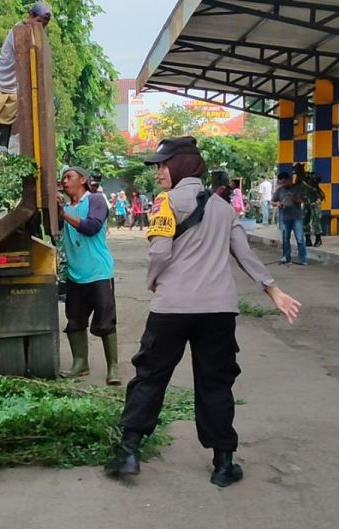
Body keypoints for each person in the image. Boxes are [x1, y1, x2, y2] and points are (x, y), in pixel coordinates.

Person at [104, 136, 300, 487]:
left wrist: (153, 281)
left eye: (163, 165)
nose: (159, 172)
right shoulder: (225, 209)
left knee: (150, 376)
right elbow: (244, 254)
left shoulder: (165, 203)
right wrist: (273, 290)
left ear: (180, 166)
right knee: (215, 383)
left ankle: (129, 450)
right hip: (218, 311)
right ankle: (224, 464)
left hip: (173, 308)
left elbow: (160, 254)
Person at [56, 167, 121, 386]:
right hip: (76, 274)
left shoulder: (96, 200)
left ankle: (113, 368)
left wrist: (64, 215)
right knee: (74, 321)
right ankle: (80, 363)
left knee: (106, 321)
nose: (65, 181)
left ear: (82, 180)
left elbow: (92, 227)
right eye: (63, 178)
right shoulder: (64, 207)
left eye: (69, 177)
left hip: (99, 272)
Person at [0, 2, 52, 148]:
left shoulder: (37, 36)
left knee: (6, 121)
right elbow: (23, 55)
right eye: (38, 21)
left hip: (14, 86)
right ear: (30, 16)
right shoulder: (18, 31)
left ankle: (3, 152)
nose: (40, 26)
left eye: (43, 25)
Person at [273, 171, 307, 265]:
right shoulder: (280, 190)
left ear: (289, 180)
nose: (283, 184)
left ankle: (303, 259)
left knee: (300, 239)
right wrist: (277, 204)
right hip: (284, 216)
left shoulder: (297, 188)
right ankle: (286, 258)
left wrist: (294, 199)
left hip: (296, 217)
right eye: (281, 183)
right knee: (285, 238)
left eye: (284, 182)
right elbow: (273, 201)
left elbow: (302, 200)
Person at [296, 165, 324, 247]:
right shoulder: (300, 180)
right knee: (305, 220)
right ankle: (307, 239)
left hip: (314, 202)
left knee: (316, 220)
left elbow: (316, 187)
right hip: (306, 202)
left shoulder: (309, 178)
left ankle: (318, 239)